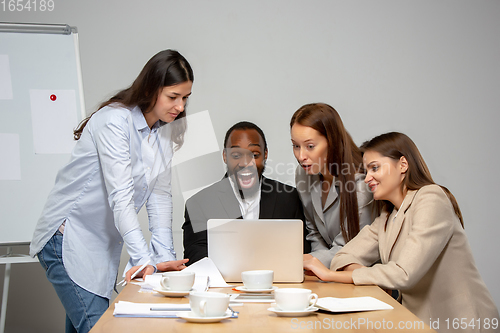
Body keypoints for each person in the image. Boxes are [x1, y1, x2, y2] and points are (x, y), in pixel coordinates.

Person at [29, 50, 193, 333]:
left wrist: (164, 257)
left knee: (93, 326)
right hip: (67, 239)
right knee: (104, 328)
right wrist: (144, 260)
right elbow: (121, 197)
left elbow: (160, 196)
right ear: (152, 89)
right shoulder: (115, 121)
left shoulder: (164, 130)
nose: (180, 106)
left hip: (101, 246)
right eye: (173, 97)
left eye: (185, 98)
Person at [304, 132, 499, 331]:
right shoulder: (387, 215)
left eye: (375, 168)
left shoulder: (431, 198)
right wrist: (373, 277)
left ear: (403, 165)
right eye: (366, 170)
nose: (367, 177)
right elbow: (343, 256)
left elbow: (403, 273)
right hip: (416, 321)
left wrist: (330, 275)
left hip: (461, 324)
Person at [183, 121, 309, 265]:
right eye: (236, 155)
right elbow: (195, 256)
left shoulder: (288, 198)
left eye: (254, 155)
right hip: (223, 286)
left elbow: (302, 252)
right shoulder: (199, 203)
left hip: (277, 284)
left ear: (265, 154)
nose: (245, 163)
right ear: (225, 156)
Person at [290, 103, 374, 268]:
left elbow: (348, 248)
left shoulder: (362, 185)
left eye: (310, 146)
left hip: (359, 274)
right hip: (327, 272)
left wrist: (302, 263)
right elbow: (314, 234)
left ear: (332, 142)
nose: (301, 156)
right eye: (295, 145)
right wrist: (315, 266)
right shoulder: (303, 174)